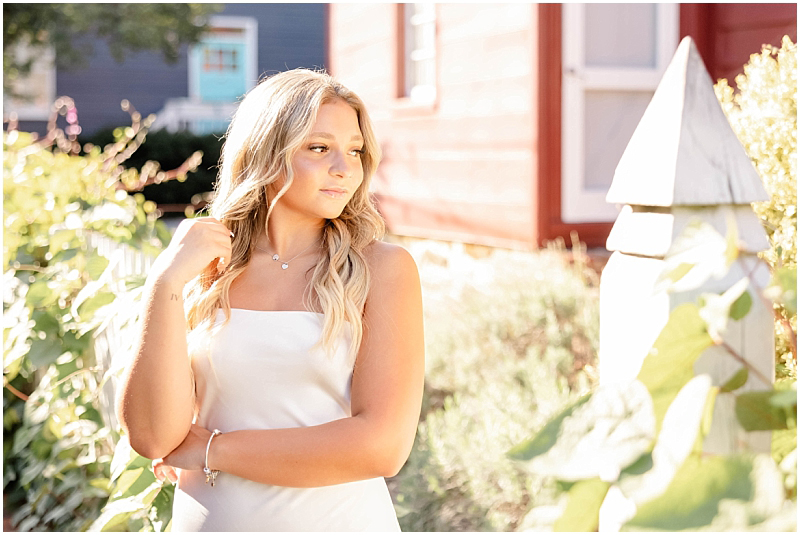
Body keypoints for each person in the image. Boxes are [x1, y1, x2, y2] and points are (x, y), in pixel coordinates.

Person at [117, 68, 425, 531]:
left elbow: (382, 446)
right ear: (266, 152)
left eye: (355, 150)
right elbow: (152, 435)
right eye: (319, 148)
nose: (345, 167)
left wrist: (209, 449)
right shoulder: (205, 268)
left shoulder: (381, 269)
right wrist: (164, 283)